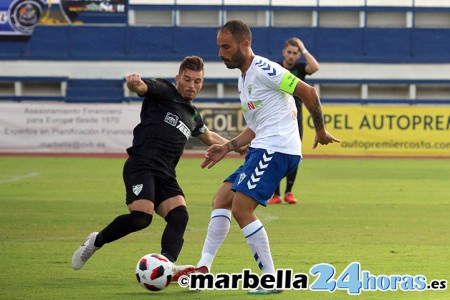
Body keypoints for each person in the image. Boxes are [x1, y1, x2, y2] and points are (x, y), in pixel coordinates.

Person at [193, 20, 339, 295]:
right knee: (222, 199)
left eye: (226, 47)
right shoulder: (244, 76)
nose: (221, 53)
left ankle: (270, 279)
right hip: (264, 146)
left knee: (241, 209)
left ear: (244, 44)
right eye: (219, 47)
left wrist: (319, 130)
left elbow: (308, 92)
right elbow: (256, 126)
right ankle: (203, 267)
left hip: (277, 149)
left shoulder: (265, 69)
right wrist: (229, 146)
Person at [71, 56, 231, 281]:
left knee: (179, 216)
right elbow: (142, 87)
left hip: (166, 173)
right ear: (178, 78)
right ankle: (95, 241)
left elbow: (209, 136)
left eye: (198, 81)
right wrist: (134, 83)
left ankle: (166, 264)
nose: (192, 85)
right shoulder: (164, 90)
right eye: (187, 79)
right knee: (141, 218)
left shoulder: (192, 114)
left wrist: (235, 145)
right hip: (142, 164)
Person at [268, 37, 320, 205]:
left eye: (295, 53)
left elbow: (315, 67)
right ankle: (275, 194)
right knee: (274, 153)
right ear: (284, 52)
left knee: (294, 153)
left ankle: (289, 192)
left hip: (295, 116)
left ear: (298, 56)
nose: (291, 56)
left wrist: (304, 49)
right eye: (289, 52)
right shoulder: (275, 67)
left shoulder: (299, 68)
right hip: (276, 116)